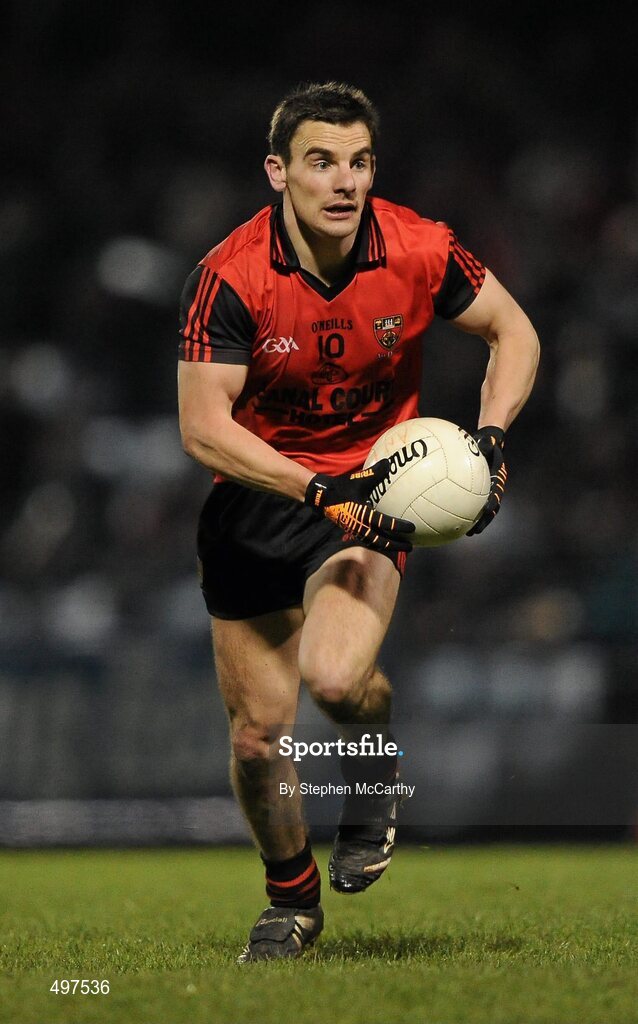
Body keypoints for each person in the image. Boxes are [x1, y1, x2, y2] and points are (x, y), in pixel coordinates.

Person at [177, 81, 539, 962]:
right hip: (258, 502)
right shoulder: (230, 276)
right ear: (278, 172)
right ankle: (292, 902)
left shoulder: (419, 248)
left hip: (372, 496)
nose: (344, 181)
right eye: (321, 161)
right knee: (258, 737)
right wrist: (312, 490)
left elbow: (514, 333)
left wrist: (491, 438)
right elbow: (204, 429)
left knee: (337, 682)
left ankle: (375, 769)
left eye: (360, 162)